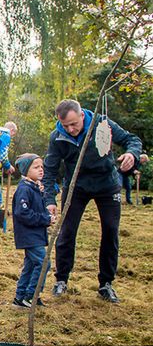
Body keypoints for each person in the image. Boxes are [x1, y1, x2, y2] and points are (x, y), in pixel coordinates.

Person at [43, 99, 142, 303]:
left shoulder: (103, 124)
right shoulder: (58, 137)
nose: (70, 129)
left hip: (107, 184)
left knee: (110, 230)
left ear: (82, 116)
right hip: (76, 187)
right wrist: (49, 199)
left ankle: (106, 284)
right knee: (67, 231)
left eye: (74, 124)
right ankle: (61, 279)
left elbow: (132, 139)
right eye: (65, 125)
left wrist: (132, 154)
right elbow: (50, 169)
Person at [11, 153, 55, 309]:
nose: (41, 170)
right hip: (29, 235)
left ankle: (20, 296)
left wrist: (47, 216)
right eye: (36, 167)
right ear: (25, 170)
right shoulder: (24, 189)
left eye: (41, 166)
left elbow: (37, 208)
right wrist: (44, 219)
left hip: (37, 234)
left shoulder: (35, 188)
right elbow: (22, 213)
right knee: (44, 263)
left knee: (30, 265)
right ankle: (31, 296)